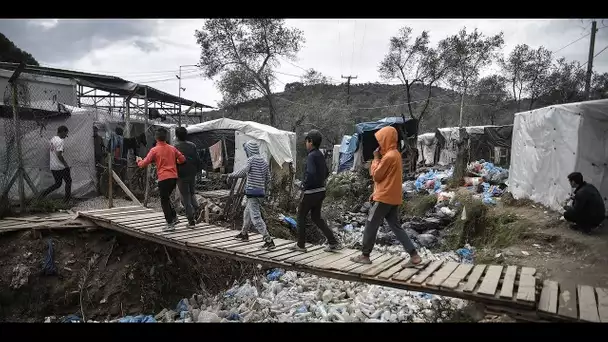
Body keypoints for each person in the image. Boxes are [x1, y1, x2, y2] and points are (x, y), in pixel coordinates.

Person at [350, 126, 423, 267]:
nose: (379, 144)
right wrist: (375, 192)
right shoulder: (395, 154)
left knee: (371, 225)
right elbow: (387, 179)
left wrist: (376, 159)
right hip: (392, 197)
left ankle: (365, 255)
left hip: (384, 198)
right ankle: (414, 256)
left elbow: (376, 176)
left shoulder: (388, 157)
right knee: (396, 226)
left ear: (386, 140)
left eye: (381, 140)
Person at [289, 130, 342, 252]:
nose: (305, 143)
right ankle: (333, 242)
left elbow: (311, 173)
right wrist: (319, 182)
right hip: (321, 191)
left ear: (310, 142)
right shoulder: (320, 155)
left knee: (301, 216)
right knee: (316, 218)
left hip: (310, 192)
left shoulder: (311, 156)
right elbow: (327, 172)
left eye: (306, 141)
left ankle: (300, 245)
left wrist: (305, 185)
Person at [228, 141, 276, 251]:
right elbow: (268, 179)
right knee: (247, 213)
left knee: (256, 217)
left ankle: (269, 241)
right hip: (260, 193)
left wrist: (231, 175)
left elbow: (243, 172)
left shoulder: (251, 160)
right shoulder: (264, 162)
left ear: (249, 150)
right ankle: (244, 234)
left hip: (252, 192)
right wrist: (266, 192)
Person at [136, 128, 185, 231]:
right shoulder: (172, 148)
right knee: (166, 198)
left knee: (164, 201)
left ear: (156, 137)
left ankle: (170, 223)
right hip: (173, 178)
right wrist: (175, 162)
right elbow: (182, 159)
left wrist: (139, 161)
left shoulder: (154, 150)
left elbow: (144, 164)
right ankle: (174, 217)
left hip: (163, 178)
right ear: (166, 137)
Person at [174, 127, 202, 228]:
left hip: (181, 174)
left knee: (185, 197)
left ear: (177, 136)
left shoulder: (175, 147)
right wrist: (198, 170)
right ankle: (198, 209)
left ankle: (191, 221)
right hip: (192, 173)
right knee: (192, 193)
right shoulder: (192, 145)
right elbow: (198, 159)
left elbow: (173, 161)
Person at [39, 126, 72, 203]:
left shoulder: (53, 139)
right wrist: (65, 164)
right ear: (62, 132)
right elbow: (59, 155)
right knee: (68, 181)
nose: (65, 137)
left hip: (53, 166)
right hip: (61, 166)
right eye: (65, 134)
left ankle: (42, 194)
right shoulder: (60, 141)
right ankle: (66, 201)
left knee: (58, 184)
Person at [93, 126, 105, 194]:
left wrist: (103, 152)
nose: (94, 132)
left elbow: (103, 147)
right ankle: (96, 189)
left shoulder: (100, 138)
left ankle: (100, 189)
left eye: (95, 131)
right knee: (95, 172)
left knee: (100, 172)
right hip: (92, 157)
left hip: (99, 157)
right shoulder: (90, 139)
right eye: (93, 131)